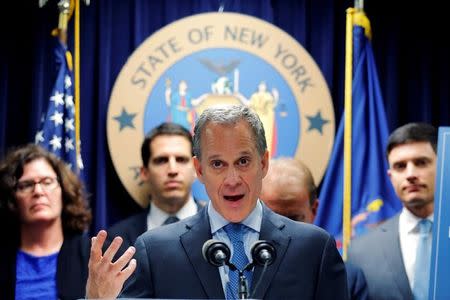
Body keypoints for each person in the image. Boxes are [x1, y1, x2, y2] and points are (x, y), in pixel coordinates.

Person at [86, 104, 348, 299]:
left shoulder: (315, 249)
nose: (232, 178)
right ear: (199, 170)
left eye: (243, 161)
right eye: (218, 164)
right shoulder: (155, 251)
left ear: (264, 163)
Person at [348, 123, 437, 300]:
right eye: (400, 166)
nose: (410, 174)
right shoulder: (361, 251)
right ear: (391, 177)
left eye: (421, 163)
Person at [259, 157, 369, 300]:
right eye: (274, 219)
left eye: (294, 219)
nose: (284, 230)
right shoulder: (234, 271)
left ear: (314, 209)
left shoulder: (349, 280)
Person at [0, 144, 92, 300]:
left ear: (63, 190)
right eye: (26, 185)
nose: (38, 191)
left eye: (47, 182)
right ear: (12, 199)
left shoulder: (91, 255)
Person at [107, 122, 205, 256]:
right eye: (161, 160)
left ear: (196, 169)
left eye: (181, 159)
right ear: (144, 173)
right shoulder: (115, 242)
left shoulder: (218, 229)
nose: (172, 170)